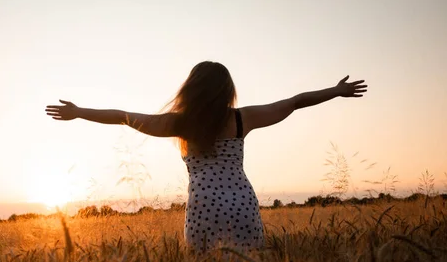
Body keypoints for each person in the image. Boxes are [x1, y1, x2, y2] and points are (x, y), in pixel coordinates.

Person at [45, 61, 367, 252]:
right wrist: (335, 91)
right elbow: (295, 101)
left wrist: (79, 112)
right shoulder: (243, 118)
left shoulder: (180, 124)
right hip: (242, 203)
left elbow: (123, 116)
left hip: (203, 207)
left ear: (192, 90)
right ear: (227, 91)